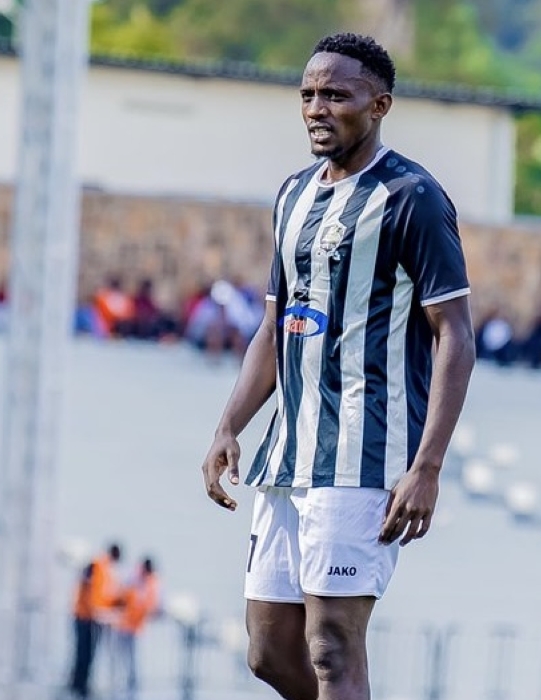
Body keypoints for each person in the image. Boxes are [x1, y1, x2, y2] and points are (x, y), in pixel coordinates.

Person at [198, 33, 476, 700]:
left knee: (332, 646)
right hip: (288, 456)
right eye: (308, 95)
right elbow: (275, 325)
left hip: (365, 457)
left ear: (378, 105)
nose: (317, 107)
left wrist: (427, 466)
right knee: (268, 652)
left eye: (336, 95)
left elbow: (456, 337)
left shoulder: (413, 197)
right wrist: (228, 425)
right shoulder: (292, 195)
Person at [68, 543, 122, 698]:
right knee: (83, 653)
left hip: (92, 618)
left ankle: (82, 684)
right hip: (85, 617)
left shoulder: (105, 570)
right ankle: (78, 685)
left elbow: (103, 595)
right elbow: (92, 593)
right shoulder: (97, 566)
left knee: (88, 654)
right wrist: (98, 611)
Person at [110, 557, 160, 700]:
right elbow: (120, 596)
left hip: (136, 628)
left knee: (133, 661)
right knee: (119, 658)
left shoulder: (152, 582)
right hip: (123, 625)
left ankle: (132, 689)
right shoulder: (132, 577)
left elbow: (152, 605)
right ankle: (118, 687)